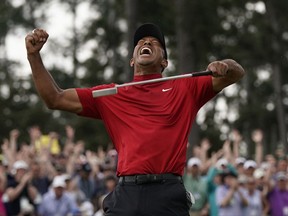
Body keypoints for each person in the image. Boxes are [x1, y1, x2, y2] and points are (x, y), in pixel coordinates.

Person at [25, 23, 245, 216]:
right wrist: (34, 56)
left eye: (154, 42)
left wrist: (224, 65)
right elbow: (55, 98)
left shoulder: (185, 87)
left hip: (167, 194)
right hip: (126, 194)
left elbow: (236, 73)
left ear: (165, 62)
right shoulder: (111, 94)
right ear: (132, 59)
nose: (146, 42)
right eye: (140, 41)